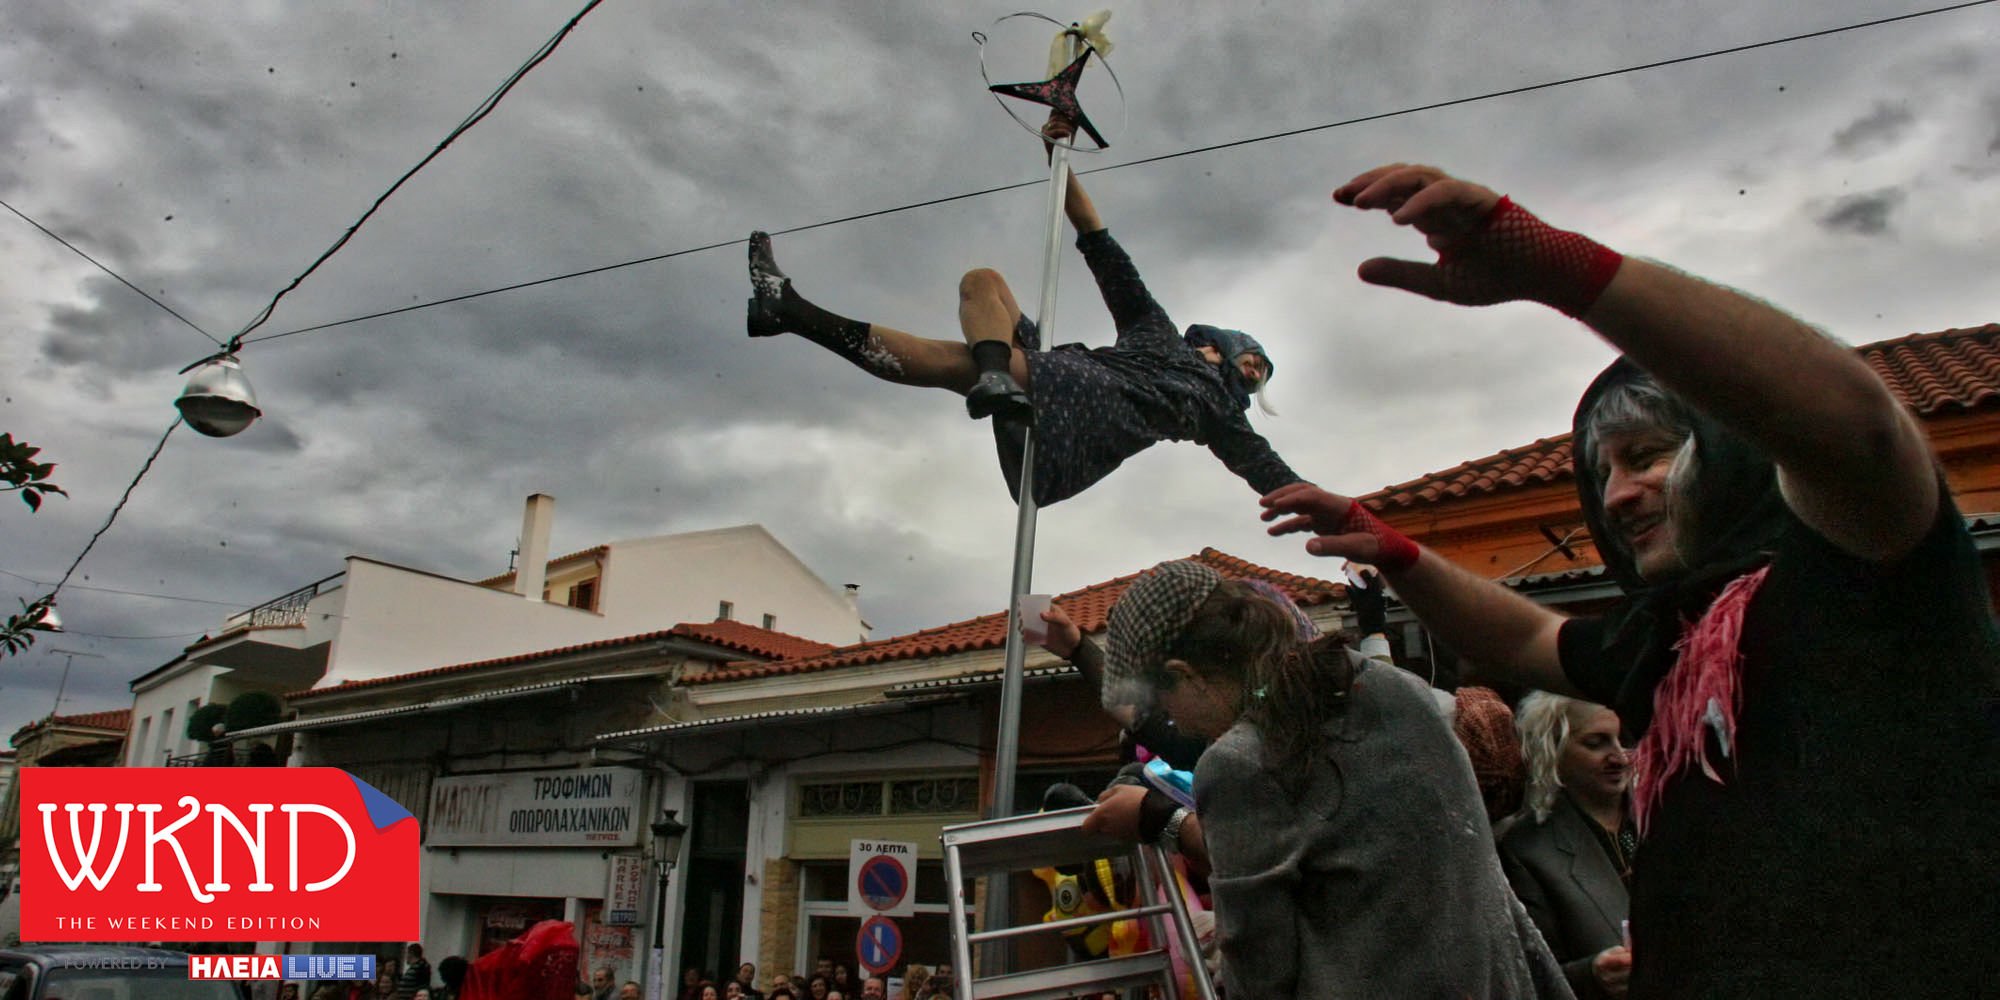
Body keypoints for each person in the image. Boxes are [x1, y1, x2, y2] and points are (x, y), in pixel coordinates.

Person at [1262, 162, 2000, 998]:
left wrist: (1563, 269)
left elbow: (1862, 431)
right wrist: (1399, 555)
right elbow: (1528, 636)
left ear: (1738, 452)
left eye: (1648, 457)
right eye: (1603, 471)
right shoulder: (1673, 639)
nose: (1616, 496)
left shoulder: (1867, 577)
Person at [746, 116, 1300, 508]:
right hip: (1063, 373)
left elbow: (1273, 474)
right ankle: (987, 374)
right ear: (1225, 341)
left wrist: (1361, 529)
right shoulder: (1154, 329)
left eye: (1257, 378)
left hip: (1087, 422)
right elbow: (1095, 235)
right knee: (983, 282)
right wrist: (1054, 151)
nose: (1253, 373)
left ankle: (793, 312)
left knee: (955, 362)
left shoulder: (1223, 412)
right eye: (1255, 360)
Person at [1083, 559, 1570, 998]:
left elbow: (1260, 967)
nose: (1179, 727)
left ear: (1185, 674)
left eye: (1166, 706)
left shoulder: (1238, 762)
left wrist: (1163, 821)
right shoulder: (1393, 688)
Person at [1497, 693, 1635, 999]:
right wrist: (1592, 974)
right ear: (1554, 749)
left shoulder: (1666, 816)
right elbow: (1532, 974)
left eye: (1621, 739)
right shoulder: (1529, 849)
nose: (1619, 757)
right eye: (1596, 743)